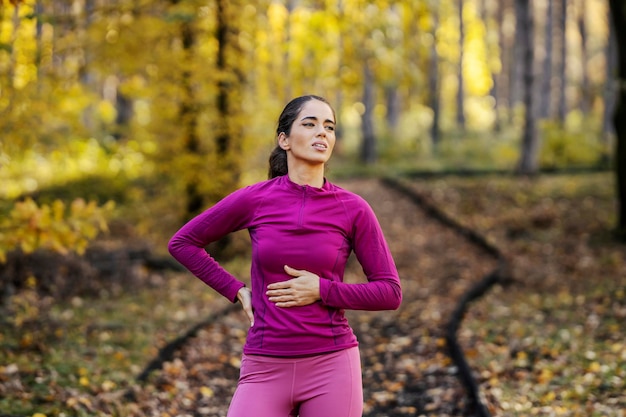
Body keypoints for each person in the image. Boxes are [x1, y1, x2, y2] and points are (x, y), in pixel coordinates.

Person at [168, 95, 402, 417]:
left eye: (329, 127)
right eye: (310, 124)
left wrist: (322, 289)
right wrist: (235, 289)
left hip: (331, 366)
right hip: (265, 365)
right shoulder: (256, 199)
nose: (322, 132)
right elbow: (183, 243)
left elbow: (389, 292)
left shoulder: (353, 209)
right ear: (284, 140)